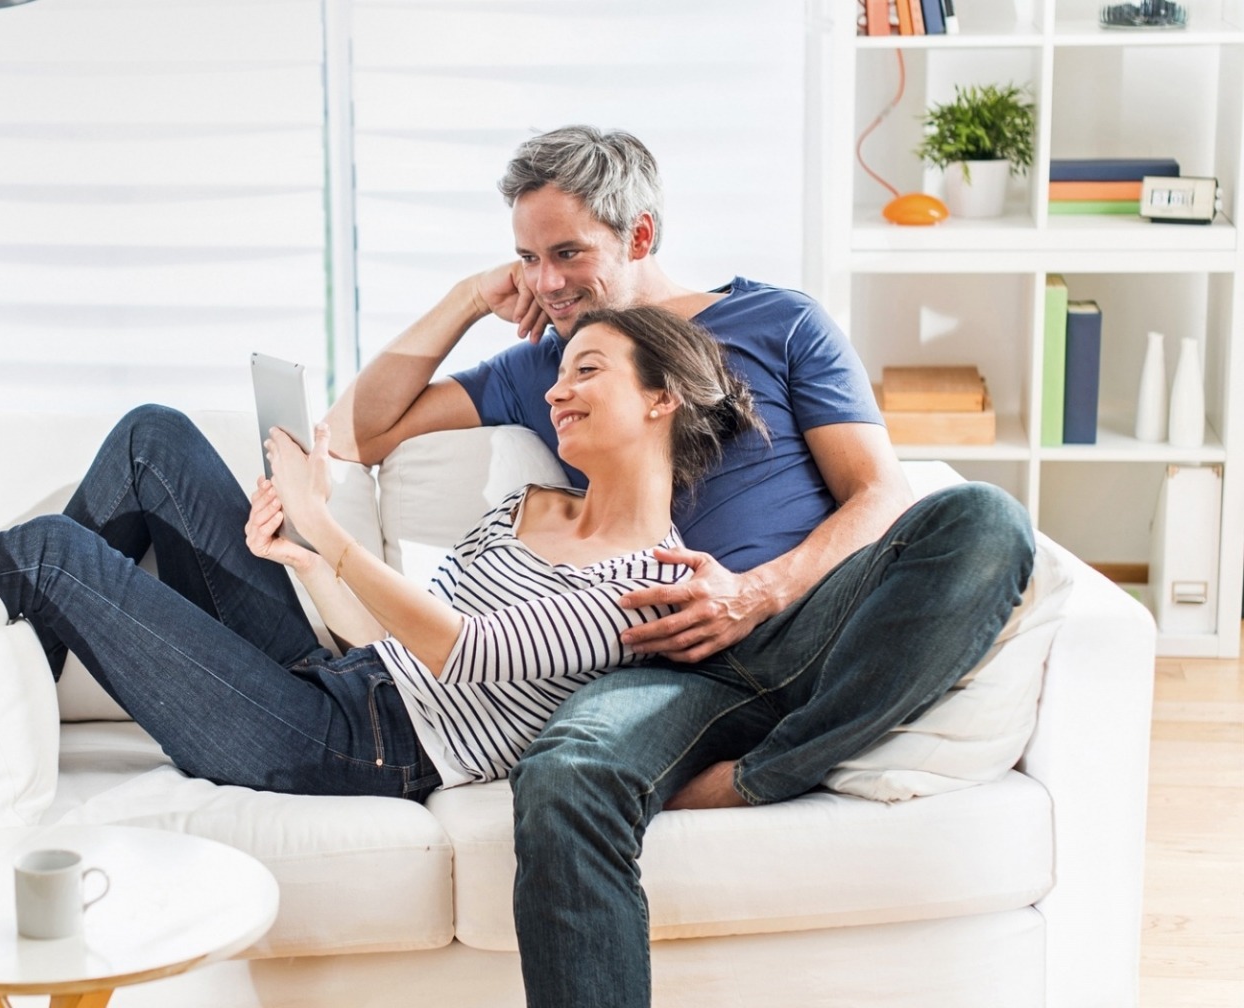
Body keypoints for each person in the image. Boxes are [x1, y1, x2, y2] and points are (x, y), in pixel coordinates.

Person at [322, 125, 1035, 1007]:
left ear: (642, 234)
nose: (547, 283)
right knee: (566, 777)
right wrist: (471, 297)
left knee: (986, 521)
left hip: (809, 620)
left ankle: (767, 771)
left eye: (568, 253)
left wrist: (757, 591)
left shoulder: (779, 322)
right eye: (528, 259)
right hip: (664, 666)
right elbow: (360, 432)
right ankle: (748, 769)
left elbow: (879, 492)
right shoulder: (555, 364)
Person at [0, 306, 763, 801]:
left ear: (662, 400)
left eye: (588, 371)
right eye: (558, 373)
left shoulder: (650, 584)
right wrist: (300, 556)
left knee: (55, 554)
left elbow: (468, 652)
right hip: (345, 677)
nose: (556, 391)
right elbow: (383, 632)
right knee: (154, 440)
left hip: (354, 753)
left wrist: (331, 532)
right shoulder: (526, 507)